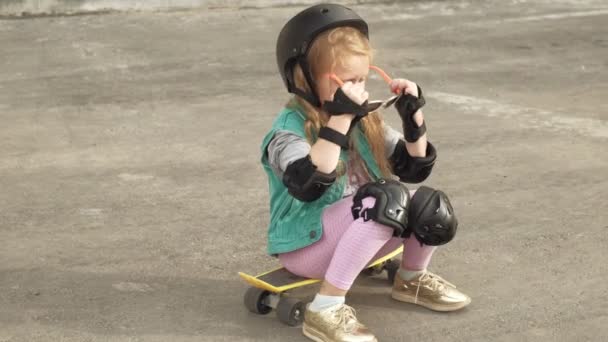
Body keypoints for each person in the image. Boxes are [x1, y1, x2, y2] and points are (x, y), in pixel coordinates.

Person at [260, 4, 471, 341]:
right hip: (306, 244)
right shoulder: (288, 132)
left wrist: (412, 117)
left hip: (364, 234)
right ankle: (325, 308)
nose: (357, 89)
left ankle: (411, 278)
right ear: (304, 78)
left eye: (361, 79)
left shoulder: (365, 120)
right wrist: (340, 119)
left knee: (428, 204)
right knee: (381, 201)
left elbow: (413, 167)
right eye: (345, 82)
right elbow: (309, 182)